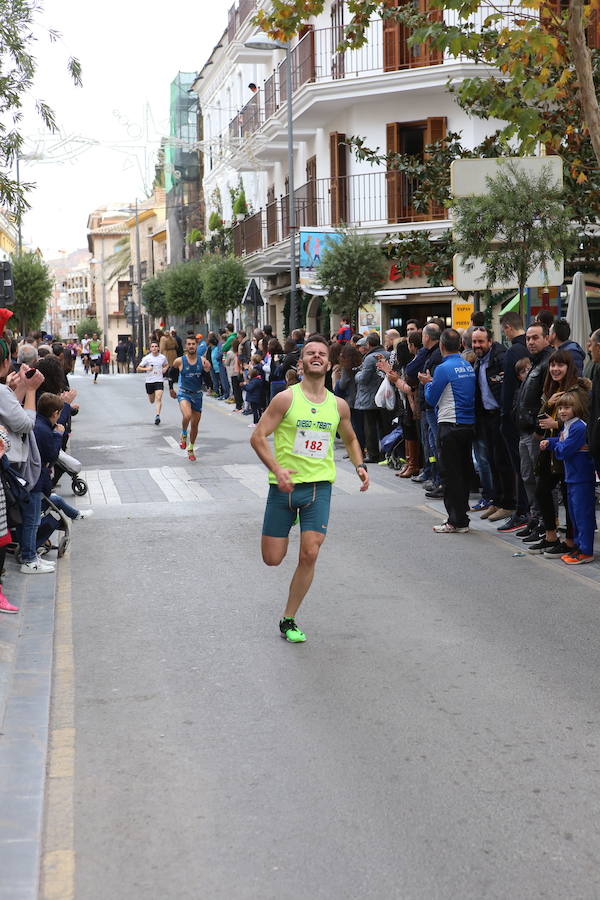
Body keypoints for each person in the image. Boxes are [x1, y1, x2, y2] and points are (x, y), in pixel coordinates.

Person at [250, 334, 369, 643]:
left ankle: (288, 618)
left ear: (328, 363)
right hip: (284, 489)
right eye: (310, 353)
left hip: (318, 487)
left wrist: (359, 466)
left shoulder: (338, 405)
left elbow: (352, 438)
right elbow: (258, 436)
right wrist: (276, 468)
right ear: (301, 362)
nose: (316, 356)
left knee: (310, 552)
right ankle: (286, 526)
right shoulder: (286, 399)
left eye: (321, 353)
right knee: (273, 558)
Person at [525, 350, 590, 557]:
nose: (555, 369)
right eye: (552, 365)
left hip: (567, 453)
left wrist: (557, 423)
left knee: (568, 498)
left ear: (569, 367)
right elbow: (541, 417)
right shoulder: (552, 389)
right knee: (542, 490)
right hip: (551, 450)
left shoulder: (578, 391)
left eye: (560, 365)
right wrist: (548, 404)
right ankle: (551, 535)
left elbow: (582, 421)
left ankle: (571, 542)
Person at [422, 328, 476, 534]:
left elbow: (431, 399)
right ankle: (462, 517)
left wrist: (427, 384)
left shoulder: (443, 368)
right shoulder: (467, 365)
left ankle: (456, 520)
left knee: (450, 475)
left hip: (450, 424)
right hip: (467, 425)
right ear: (461, 344)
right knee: (461, 473)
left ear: (442, 346)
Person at [471, 326, 521, 529]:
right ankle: (497, 500)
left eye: (481, 342)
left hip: (501, 416)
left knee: (503, 462)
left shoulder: (500, 358)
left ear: (490, 342)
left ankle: (508, 503)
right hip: (487, 417)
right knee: (492, 460)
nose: (477, 346)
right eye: (475, 342)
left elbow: (508, 388)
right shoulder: (479, 361)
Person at [541, 391, 596, 564]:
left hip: (582, 477)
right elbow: (563, 440)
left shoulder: (579, 426)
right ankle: (579, 547)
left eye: (567, 407)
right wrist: (551, 442)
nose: (563, 411)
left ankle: (586, 551)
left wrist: (554, 447)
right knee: (574, 514)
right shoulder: (568, 425)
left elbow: (565, 449)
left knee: (583, 515)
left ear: (576, 408)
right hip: (573, 477)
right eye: (561, 407)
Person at [499, 311, 531, 532]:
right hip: (526, 416)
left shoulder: (513, 352)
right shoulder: (529, 349)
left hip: (514, 417)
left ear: (508, 327)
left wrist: (504, 415)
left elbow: (508, 388)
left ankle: (522, 511)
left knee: (520, 467)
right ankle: (526, 511)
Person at [170, 334, 211, 461]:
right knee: (187, 416)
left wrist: (206, 371)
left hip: (197, 395)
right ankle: (183, 434)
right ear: (186, 346)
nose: (191, 346)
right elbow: (171, 374)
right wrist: (171, 388)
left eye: (193, 344)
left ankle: (191, 447)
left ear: (197, 346)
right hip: (184, 393)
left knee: (194, 425)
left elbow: (208, 382)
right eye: (189, 344)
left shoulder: (203, 361)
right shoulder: (179, 361)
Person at [354, 333, 391, 462]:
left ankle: (373, 454)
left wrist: (357, 374)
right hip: (384, 395)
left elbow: (363, 379)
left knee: (370, 427)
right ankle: (386, 452)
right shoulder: (387, 354)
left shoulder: (370, 358)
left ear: (368, 344)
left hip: (369, 396)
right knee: (384, 425)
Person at [137, 340, 169, 425]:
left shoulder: (162, 357)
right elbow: (138, 368)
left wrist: (165, 368)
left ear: (158, 348)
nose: (154, 348)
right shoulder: (147, 358)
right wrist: (146, 369)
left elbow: (166, 364)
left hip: (159, 380)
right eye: (152, 346)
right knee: (152, 400)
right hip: (149, 381)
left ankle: (157, 416)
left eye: (156, 346)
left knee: (158, 398)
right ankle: (152, 398)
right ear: (150, 349)